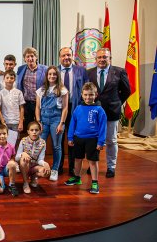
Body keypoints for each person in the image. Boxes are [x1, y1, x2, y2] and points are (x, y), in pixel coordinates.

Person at [87, 48, 131, 178]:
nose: (102, 59)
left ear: (109, 58)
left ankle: (111, 167)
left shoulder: (119, 72)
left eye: (105, 57)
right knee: (93, 140)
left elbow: (127, 91)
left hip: (112, 112)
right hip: (94, 112)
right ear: (96, 59)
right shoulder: (89, 73)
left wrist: (116, 103)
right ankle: (92, 164)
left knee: (111, 140)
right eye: (99, 57)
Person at [65, 82, 107, 194]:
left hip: (93, 139)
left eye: (91, 95)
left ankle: (95, 182)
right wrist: (70, 137)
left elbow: (103, 126)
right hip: (78, 138)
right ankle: (77, 178)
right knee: (77, 159)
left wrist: (101, 141)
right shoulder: (78, 108)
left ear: (95, 95)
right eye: (86, 95)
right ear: (82, 95)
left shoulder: (99, 110)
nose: (88, 97)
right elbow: (72, 124)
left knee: (92, 161)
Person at [57, 47, 88, 176]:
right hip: (58, 111)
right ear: (59, 57)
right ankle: (58, 167)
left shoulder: (81, 70)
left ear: (72, 55)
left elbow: (86, 89)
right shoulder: (54, 71)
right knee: (58, 139)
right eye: (63, 55)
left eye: (68, 55)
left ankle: (72, 168)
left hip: (75, 109)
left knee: (73, 140)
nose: (66, 58)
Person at [35, 66, 69, 181]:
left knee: (56, 146)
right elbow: (37, 107)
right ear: (46, 75)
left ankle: (55, 170)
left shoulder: (62, 90)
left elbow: (65, 108)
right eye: (50, 74)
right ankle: (40, 168)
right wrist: (38, 121)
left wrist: (61, 123)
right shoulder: (41, 90)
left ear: (57, 76)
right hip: (44, 120)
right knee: (40, 145)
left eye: (54, 74)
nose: (52, 76)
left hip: (56, 119)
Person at [16, 47, 48, 129]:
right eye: (27, 56)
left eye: (32, 56)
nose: (30, 58)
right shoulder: (20, 69)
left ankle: (41, 142)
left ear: (36, 57)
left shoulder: (45, 69)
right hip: (26, 103)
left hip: (40, 102)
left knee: (40, 125)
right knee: (29, 126)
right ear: (25, 59)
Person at [16, 121, 51, 194]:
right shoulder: (23, 141)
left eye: (36, 130)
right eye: (32, 130)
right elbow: (16, 158)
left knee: (46, 172)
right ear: (28, 131)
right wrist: (23, 153)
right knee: (24, 160)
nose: (34, 132)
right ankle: (25, 183)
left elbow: (40, 159)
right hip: (25, 166)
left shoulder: (43, 143)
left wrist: (45, 163)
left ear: (40, 131)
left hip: (34, 166)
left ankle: (33, 178)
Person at [0, 70, 26, 146]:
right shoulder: (0, 93)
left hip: (16, 122)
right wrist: (2, 121)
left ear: (14, 79)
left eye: (11, 78)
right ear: (4, 79)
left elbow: (22, 108)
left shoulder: (19, 92)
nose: (9, 80)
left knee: (15, 142)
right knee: (4, 142)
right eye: (7, 78)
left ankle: (14, 157)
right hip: (5, 122)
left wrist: (21, 122)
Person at [0, 124, 18, 196]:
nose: (2, 136)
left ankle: (12, 185)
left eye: (4, 133)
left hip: (6, 169)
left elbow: (13, 157)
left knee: (12, 164)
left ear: (7, 134)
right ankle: (1, 182)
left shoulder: (11, 146)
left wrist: (11, 161)